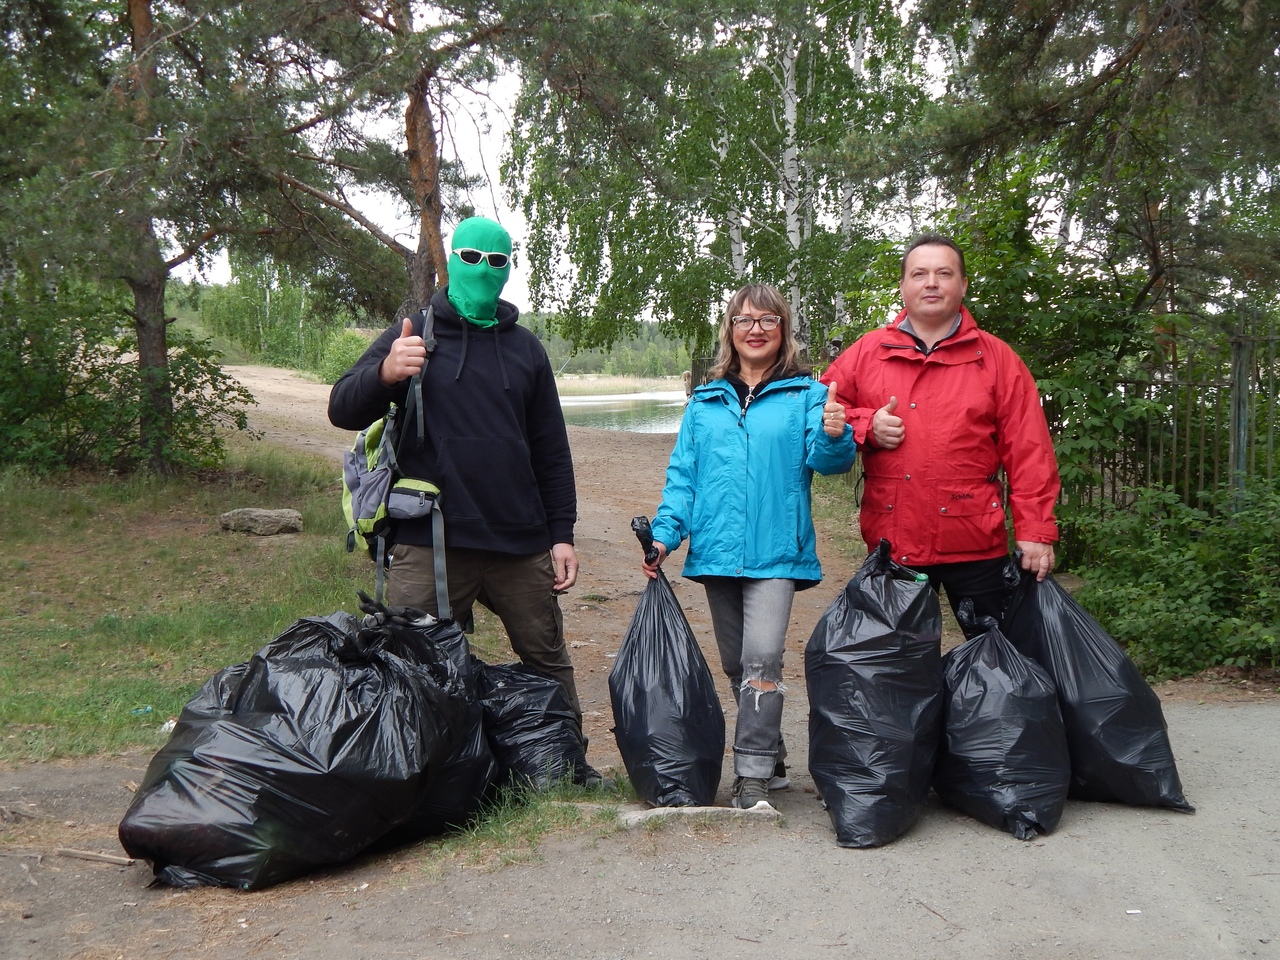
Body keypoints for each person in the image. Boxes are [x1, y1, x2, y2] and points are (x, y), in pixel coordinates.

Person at [328, 216, 599, 779]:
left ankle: (566, 767)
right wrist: (385, 371)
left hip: (518, 542)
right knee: (407, 663)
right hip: (430, 540)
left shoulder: (527, 351)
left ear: (508, 269)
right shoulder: (415, 332)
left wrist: (562, 533)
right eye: (473, 257)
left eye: (498, 261)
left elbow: (551, 450)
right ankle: (407, 776)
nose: (485, 269)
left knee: (547, 659)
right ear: (450, 261)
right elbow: (342, 409)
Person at [642, 283, 856, 811]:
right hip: (717, 553)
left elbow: (829, 463)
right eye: (744, 319)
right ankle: (776, 756)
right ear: (730, 331)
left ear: (782, 330)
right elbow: (684, 479)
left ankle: (753, 776)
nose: (755, 328)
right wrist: (665, 535)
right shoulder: (705, 402)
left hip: (776, 553)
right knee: (737, 664)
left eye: (767, 319)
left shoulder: (806, 395)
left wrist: (833, 433)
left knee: (762, 659)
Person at [821, 233, 1061, 630]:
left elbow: (1029, 449)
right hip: (893, 541)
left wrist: (1035, 531)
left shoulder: (996, 358)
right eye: (919, 273)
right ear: (903, 286)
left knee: (999, 667)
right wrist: (866, 425)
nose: (931, 282)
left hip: (975, 540)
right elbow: (821, 410)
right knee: (894, 670)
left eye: (943, 273)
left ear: (963, 285)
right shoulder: (867, 352)